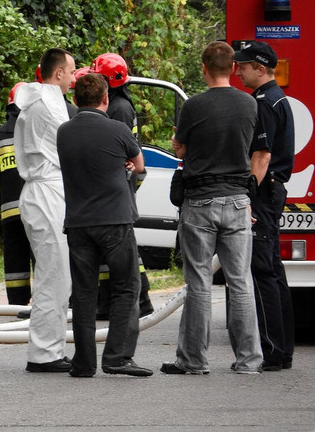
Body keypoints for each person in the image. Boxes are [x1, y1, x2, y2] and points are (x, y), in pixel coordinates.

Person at [161, 41, 263, 375]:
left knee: (199, 283)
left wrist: (182, 147)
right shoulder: (249, 104)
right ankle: (249, 360)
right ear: (233, 67)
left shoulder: (193, 107)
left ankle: (194, 360)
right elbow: (255, 149)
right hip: (237, 200)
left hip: (200, 200)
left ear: (204, 67)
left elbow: (181, 151)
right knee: (240, 282)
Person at [57, 73, 152, 377]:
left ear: (75, 100)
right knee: (127, 286)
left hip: (78, 223)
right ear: (106, 99)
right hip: (114, 220)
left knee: (84, 293)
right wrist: (123, 163)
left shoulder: (64, 132)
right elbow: (138, 165)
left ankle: (84, 363)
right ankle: (118, 357)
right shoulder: (118, 129)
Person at [234, 41, 295, 371]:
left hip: (264, 190)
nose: (238, 71)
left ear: (260, 68)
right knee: (274, 270)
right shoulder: (277, 96)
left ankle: (270, 351)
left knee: (261, 272)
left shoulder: (263, 102)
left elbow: (262, 154)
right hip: (275, 190)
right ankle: (282, 350)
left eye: (243, 66)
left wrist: (249, 193)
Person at [13, 48, 75, 373]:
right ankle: (44, 354)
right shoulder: (49, 105)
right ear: (59, 73)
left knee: (57, 275)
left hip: (44, 191)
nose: (75, 78)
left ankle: (50, 349)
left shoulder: (40, 100)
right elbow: (67, 147)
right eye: (72, 71)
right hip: (47, 192)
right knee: (54, 276)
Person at [91, 52, 154, 319]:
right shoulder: (120, 103)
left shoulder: (119, 108)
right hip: (120, 177)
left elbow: (117, 148)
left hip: (119, 179)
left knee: (121, 244)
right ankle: (109, 299)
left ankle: (140, 298)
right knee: (113, 246)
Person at [0, 82, 34, 306]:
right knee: (41, 257)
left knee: (15, 260)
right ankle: (45, 303)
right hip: (36, 208)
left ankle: (17, 304)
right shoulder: (37, 130)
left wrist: (2, 199)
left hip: (10, 212)